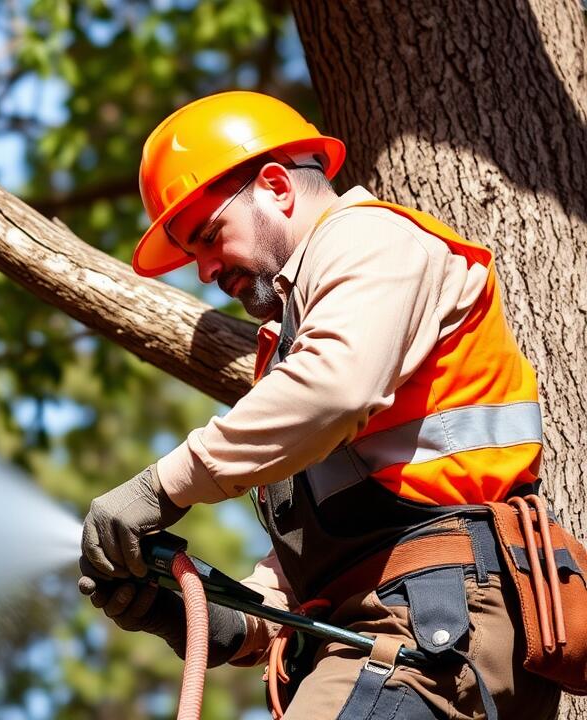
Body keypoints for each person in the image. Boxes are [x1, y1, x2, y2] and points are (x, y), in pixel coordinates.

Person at [77, 91, 564, 719]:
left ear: (277, 187)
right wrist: (232, 619)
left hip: (435, 623)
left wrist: (162, 486)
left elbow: (333, 388)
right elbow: (334, 538)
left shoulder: (369, 239)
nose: (204, 270)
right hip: (411, 627)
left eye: (209, 236)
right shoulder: (302, 331)